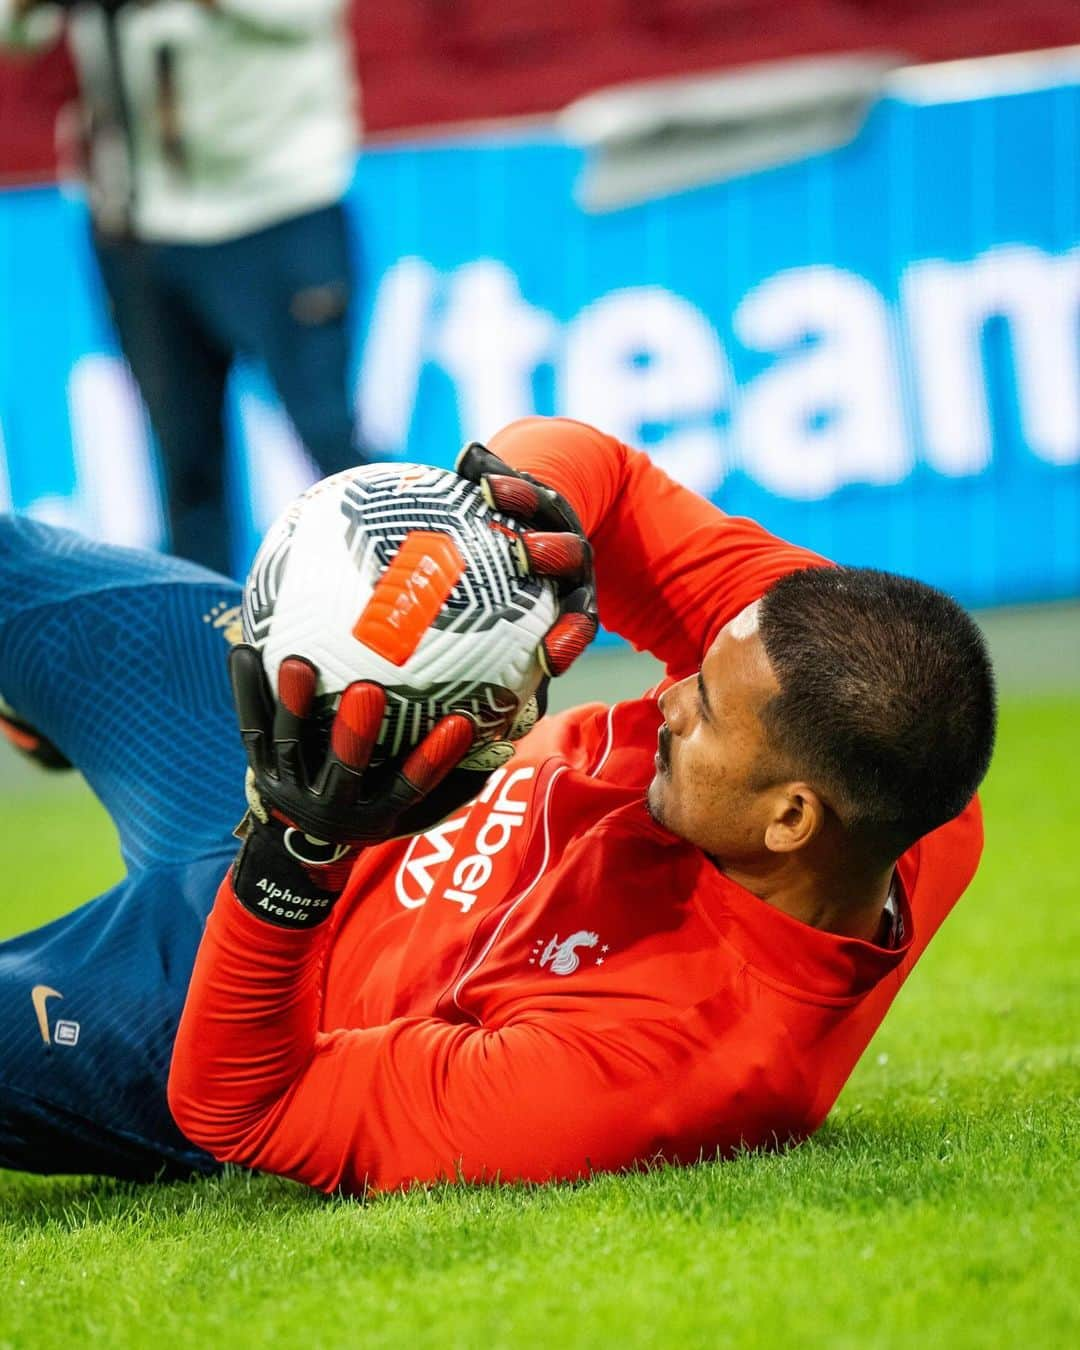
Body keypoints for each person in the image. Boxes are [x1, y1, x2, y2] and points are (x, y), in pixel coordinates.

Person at [0, 417, 996, 1190]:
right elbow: (598, 464)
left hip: (224, 987)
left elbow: (243, 1106)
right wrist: (521, 515)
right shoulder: (865, 694)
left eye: (705, 708)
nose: (672, 690)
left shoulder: (658, 1070)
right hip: (335, 734)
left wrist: (299, 855)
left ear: (791, 819)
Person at [0, 0, 366, 576]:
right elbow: (16, 32)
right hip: (137, 224)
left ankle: (429, 615)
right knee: (185, 467)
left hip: (276, 206)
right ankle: (207, 651)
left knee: (331, 440)